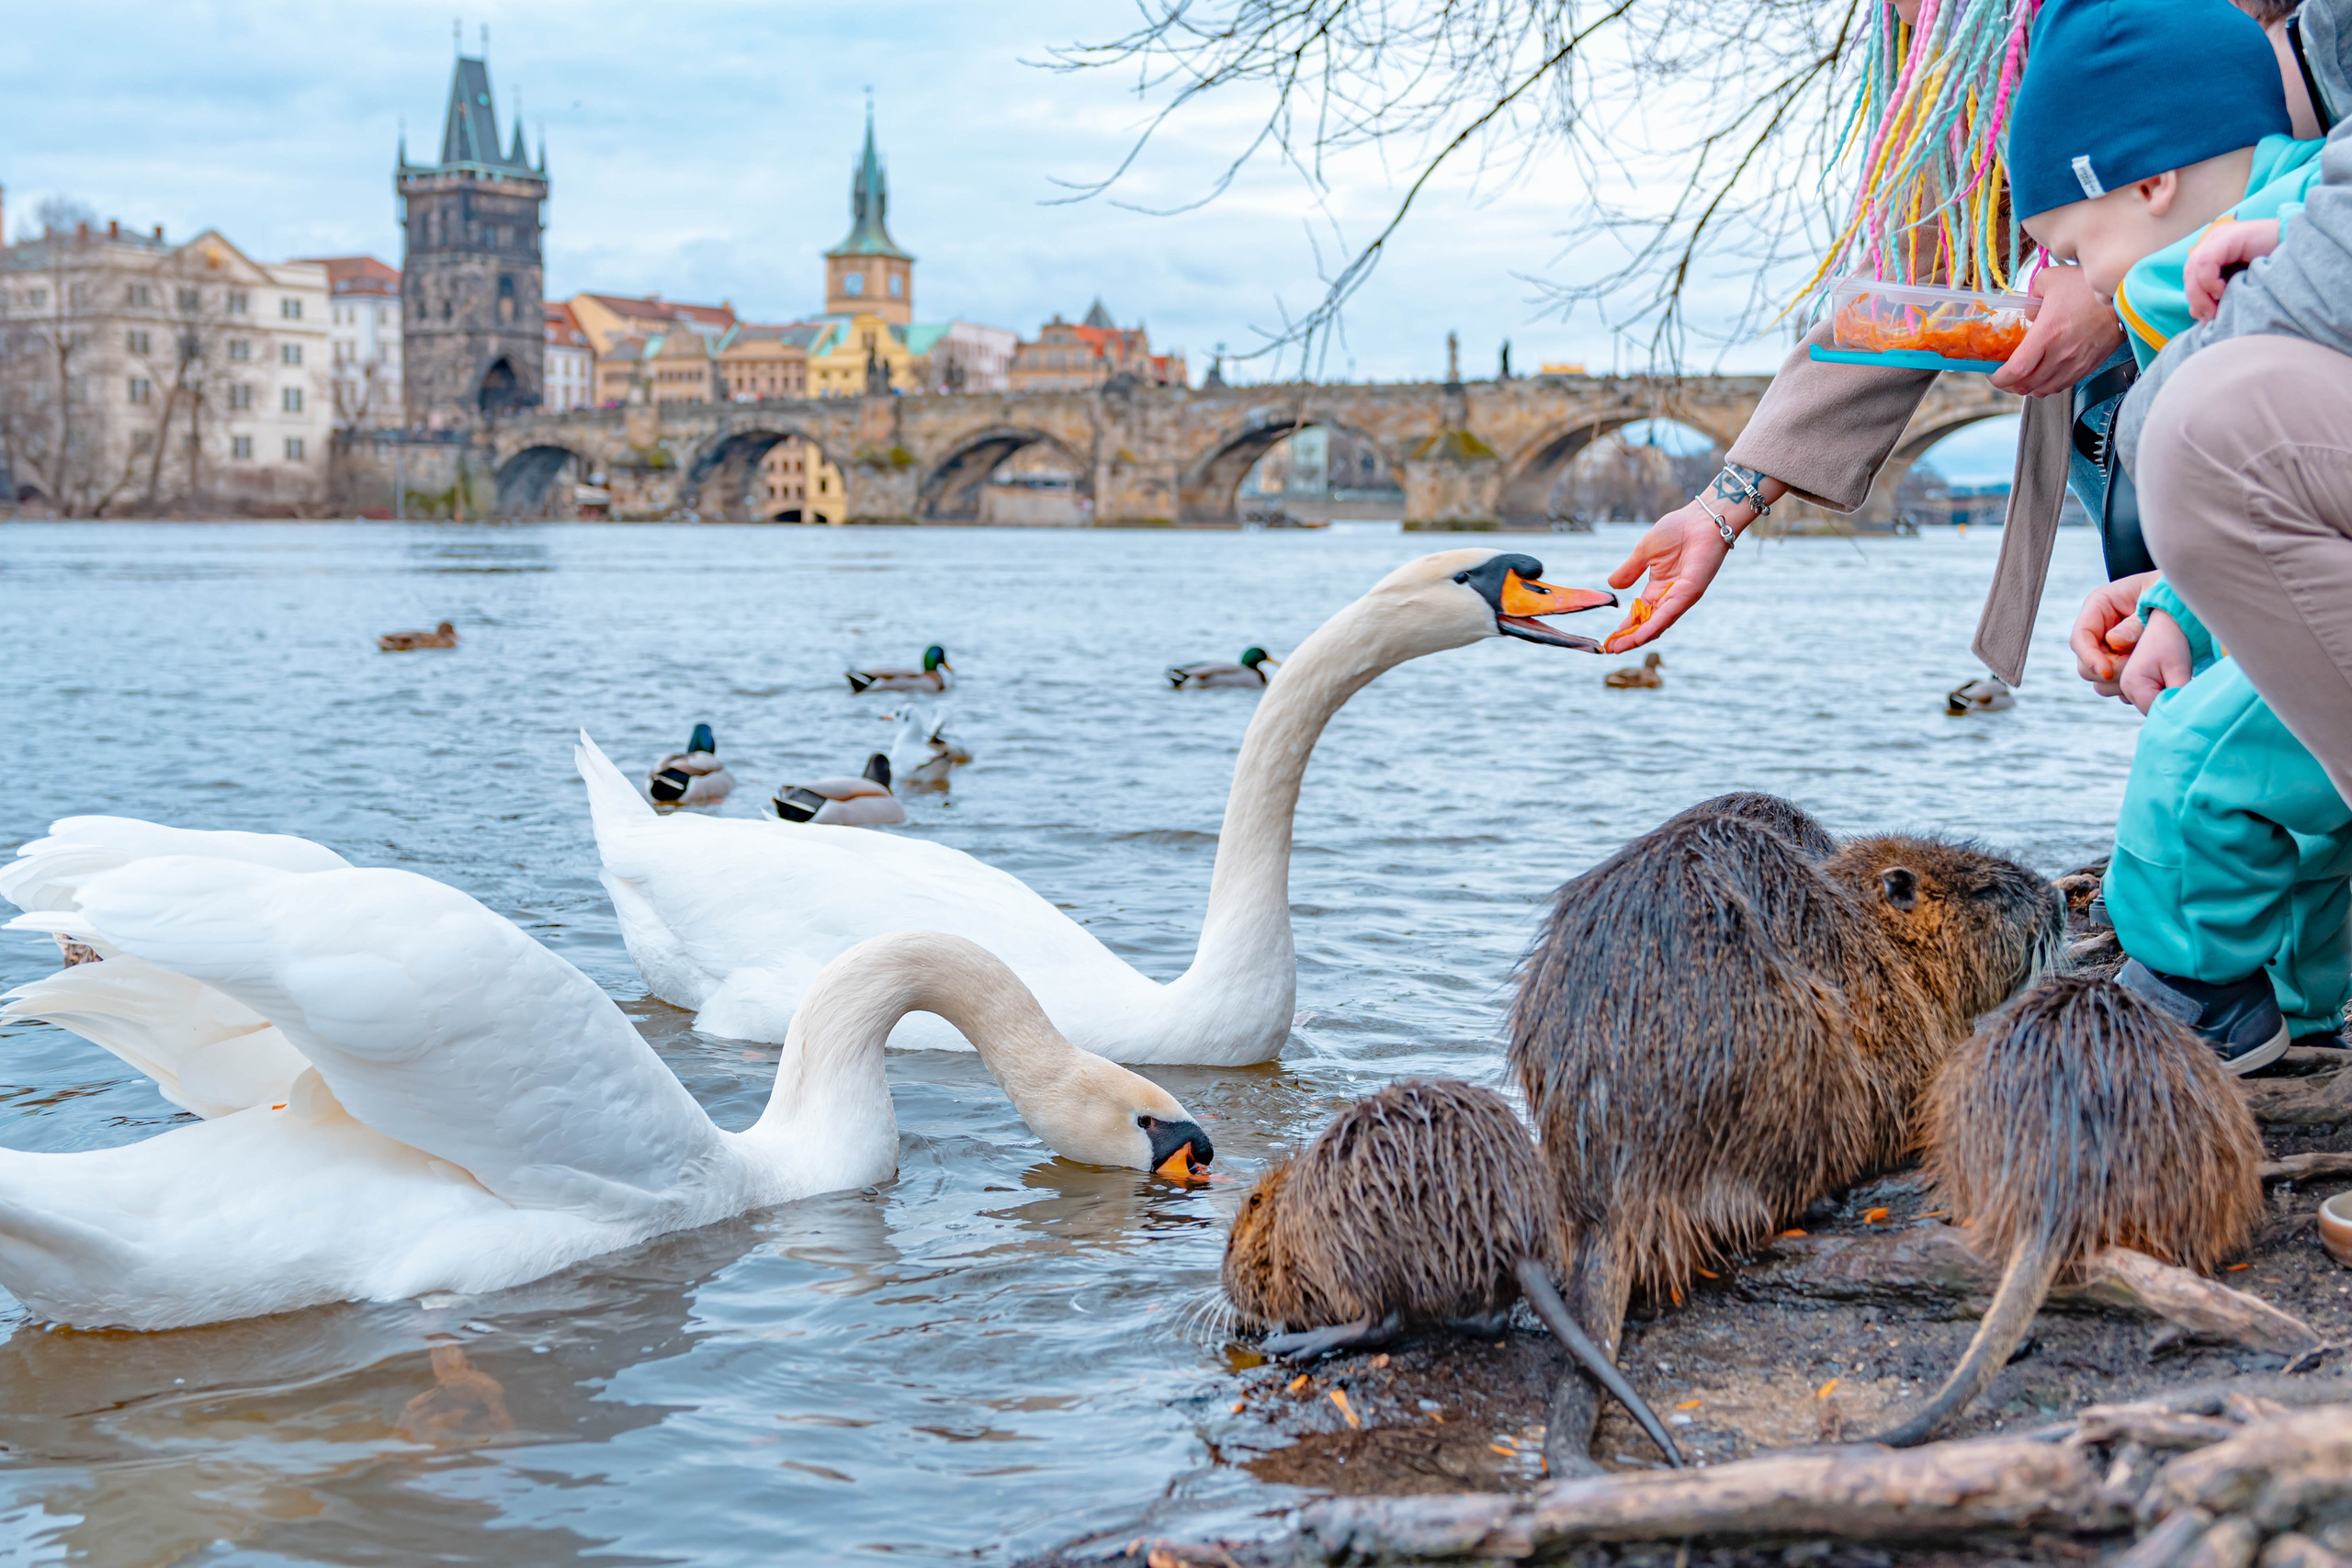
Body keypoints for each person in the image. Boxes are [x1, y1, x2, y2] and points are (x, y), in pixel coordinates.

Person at [2005, 0, 2343, 1070]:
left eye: (2064, 247)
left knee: (2195, 768)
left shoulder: (2212, 273)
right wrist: (2179, 606)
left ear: (2148, 184)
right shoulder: (2293, 215)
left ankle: (2194, 1003)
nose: (2049, 286)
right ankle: (2306, 1003)